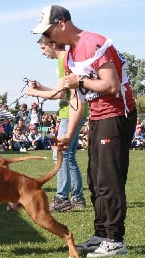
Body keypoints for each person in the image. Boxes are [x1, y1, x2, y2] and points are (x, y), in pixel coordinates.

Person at [32, 5, 136, 257]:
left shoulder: (94, 42)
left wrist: (80, 80)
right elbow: (78, 98)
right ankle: (101, 234)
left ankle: (115, 240)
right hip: (98, 117)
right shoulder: (69, 55)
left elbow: (110, 85)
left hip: (117, 114)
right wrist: (71, 133)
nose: (47, 39)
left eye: (48, 31)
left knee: (109, 179)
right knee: (95, 178)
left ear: (61, 24)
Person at [26, 35, 87, 212]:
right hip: (76, 110)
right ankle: (77, 198)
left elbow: (60, 95)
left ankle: (62, 198)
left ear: (52, 45)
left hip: (70, 112)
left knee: (60, 155)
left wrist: (33, 93)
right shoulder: (68, 59)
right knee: (70, 156)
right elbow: (62, 91)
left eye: (43, 48)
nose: (43, 53)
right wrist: (41, 87)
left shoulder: (63, 61)